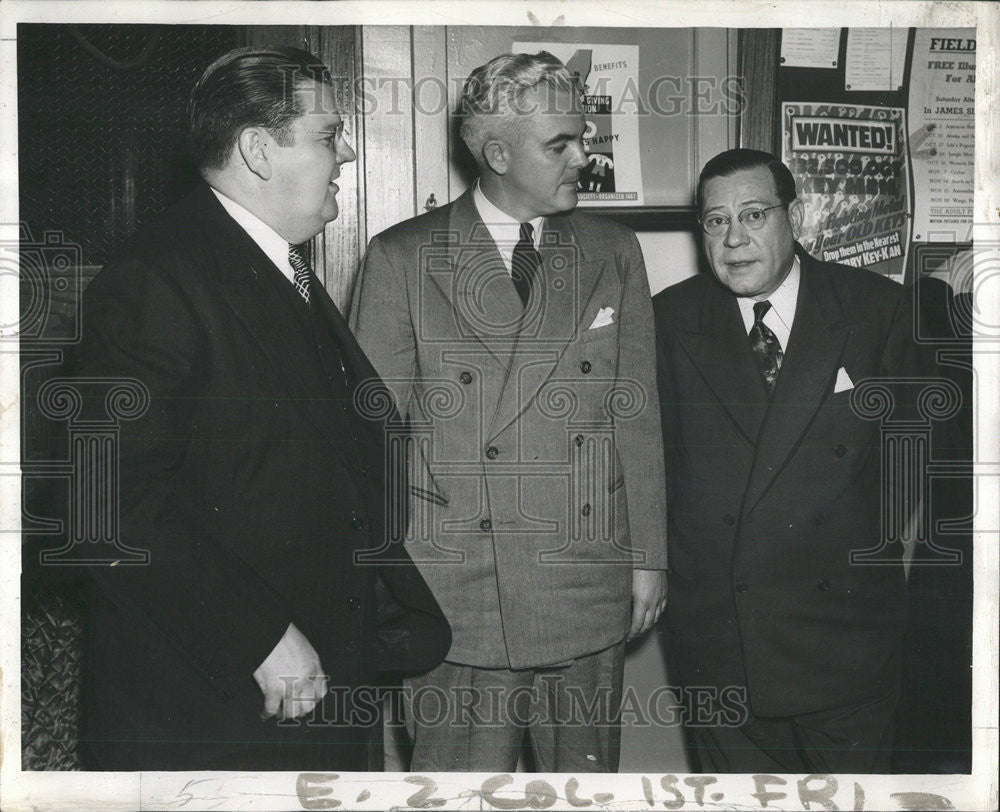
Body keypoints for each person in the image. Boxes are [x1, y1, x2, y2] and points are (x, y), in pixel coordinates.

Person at [71, 45, 449, 771]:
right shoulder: (156, 278)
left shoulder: (276, 266)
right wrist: (260, 636)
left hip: (314, 689)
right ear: (256, 149)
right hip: (223, 703)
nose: (346, 157)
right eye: (327, 136)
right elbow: (104, 503)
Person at [349, 51, 667, 772]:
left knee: (582, 788)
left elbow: (635, 416)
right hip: (458, 587)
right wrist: (385, 582)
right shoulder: (402, 257)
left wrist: (648, 556)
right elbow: (374, 441)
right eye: (561, 144)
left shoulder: (613, 251)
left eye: (584, 138)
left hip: (584, 572)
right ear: (497, 152)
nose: (584, 157)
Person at [653, 148, 929, 773]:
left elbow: (906, 468)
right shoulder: (668, 319)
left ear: (795, 216)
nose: (734, 238)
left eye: (753, 215)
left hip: (845, 630)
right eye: (715, 221)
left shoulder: (877, 310)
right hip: (723, 633)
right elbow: (658, 471)